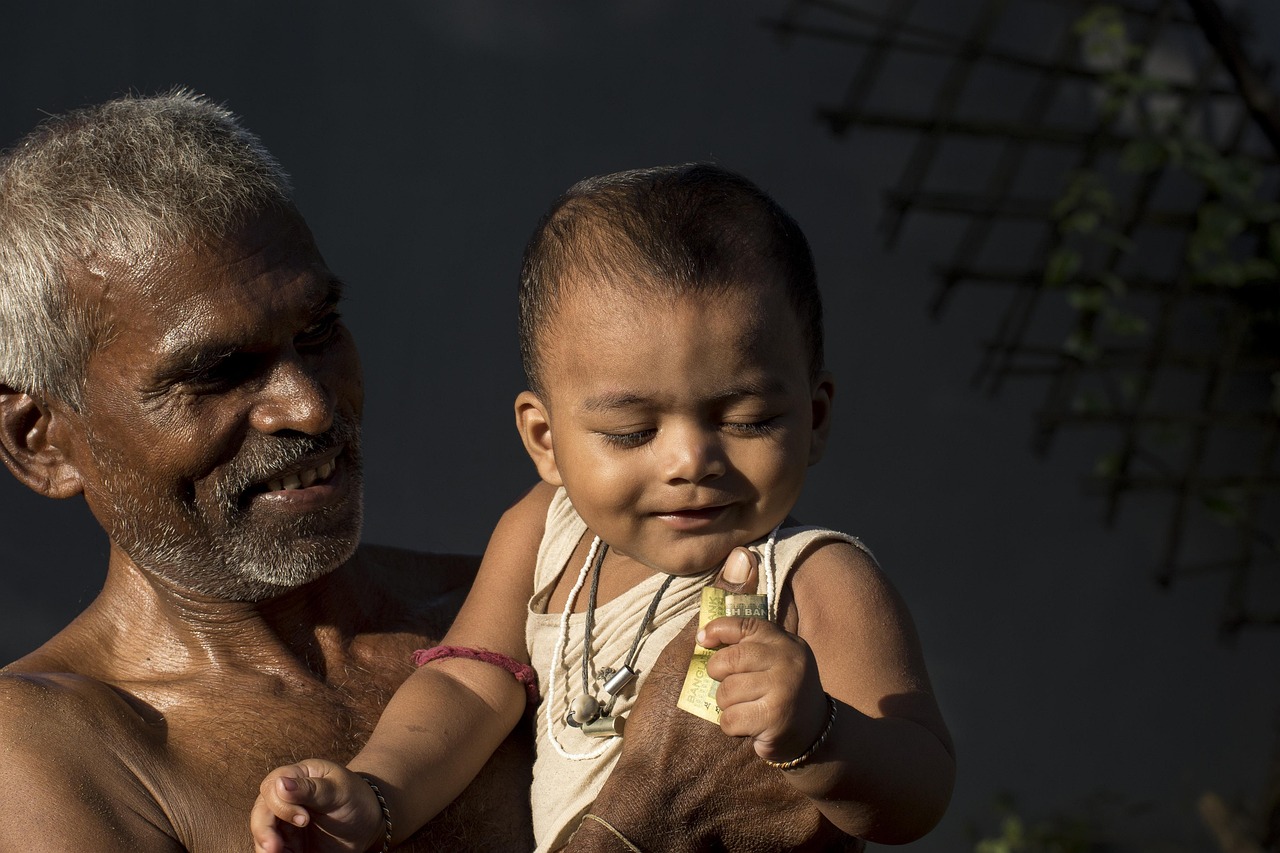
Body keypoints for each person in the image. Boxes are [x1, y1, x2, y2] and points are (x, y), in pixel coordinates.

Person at [0, 93, 791, 853]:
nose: (308, 406)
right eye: (218, 372)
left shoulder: (546, 619)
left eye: (319, 330)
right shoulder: (53, 750)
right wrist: (645, 823)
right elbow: (672, 803)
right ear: (42, 441)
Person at [252, 164, 956, 852]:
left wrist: (819, 732)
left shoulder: (810, 578)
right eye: (631, 432)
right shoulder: (545, 531)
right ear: (546, 440)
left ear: (816, 416)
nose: (689, 461)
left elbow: (921, 785)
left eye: (745, 419)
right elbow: (466, 684)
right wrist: (375, 795)